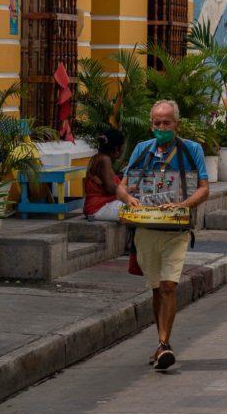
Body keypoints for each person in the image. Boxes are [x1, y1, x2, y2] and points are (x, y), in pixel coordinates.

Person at [117, 100, 209, 371]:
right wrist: (130, 199)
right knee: (157, 288)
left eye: (166, 123)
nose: (161, 128)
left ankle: (164, 343)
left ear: (176, 125)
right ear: (151, 124)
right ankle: (160, 345)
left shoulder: (192, 150)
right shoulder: (141, 150)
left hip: (176, 230)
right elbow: (122, 187)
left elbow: (204, 188)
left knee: (169, 285)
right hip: (145, 229)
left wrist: (183, 205)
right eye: (157, 123)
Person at [84, 128, 125, 221]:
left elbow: (104, 180)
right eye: (122, 147)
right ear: (116, 148)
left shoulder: (97, 157)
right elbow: (110, 188)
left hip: (96, 207)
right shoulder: (105, 159)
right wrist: (126, 193)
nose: (123, 150)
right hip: (99, 208)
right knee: (138, 209)